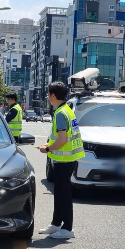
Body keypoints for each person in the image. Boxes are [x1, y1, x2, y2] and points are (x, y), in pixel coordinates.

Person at [38, 82, 85, 239]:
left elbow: (63, 140)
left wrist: (48, 149)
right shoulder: (66, 110)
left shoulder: (60, 113)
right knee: (59, 193)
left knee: (63, 194)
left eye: (48, 94)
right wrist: (49, 144)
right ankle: (56, 223)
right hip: (67, 159)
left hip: (64, 160)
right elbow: (60, 138)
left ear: (53, 95)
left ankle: (67, 228)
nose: (48, 97)